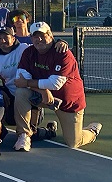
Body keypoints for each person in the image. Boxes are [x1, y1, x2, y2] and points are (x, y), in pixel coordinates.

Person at [13, 21, 101, 151]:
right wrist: (42, 91)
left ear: (50, 35)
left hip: (68, 102)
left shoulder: (63, 53)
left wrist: (29, 84)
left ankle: (92, 130)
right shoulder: (28, 52)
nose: (39, 39)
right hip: (44, 97)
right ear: (31, 38)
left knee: (73, 142)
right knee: (21, 93)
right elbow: (20, 78)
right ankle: (24, 135)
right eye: (35, 36)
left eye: (43, 35)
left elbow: (55, 84)